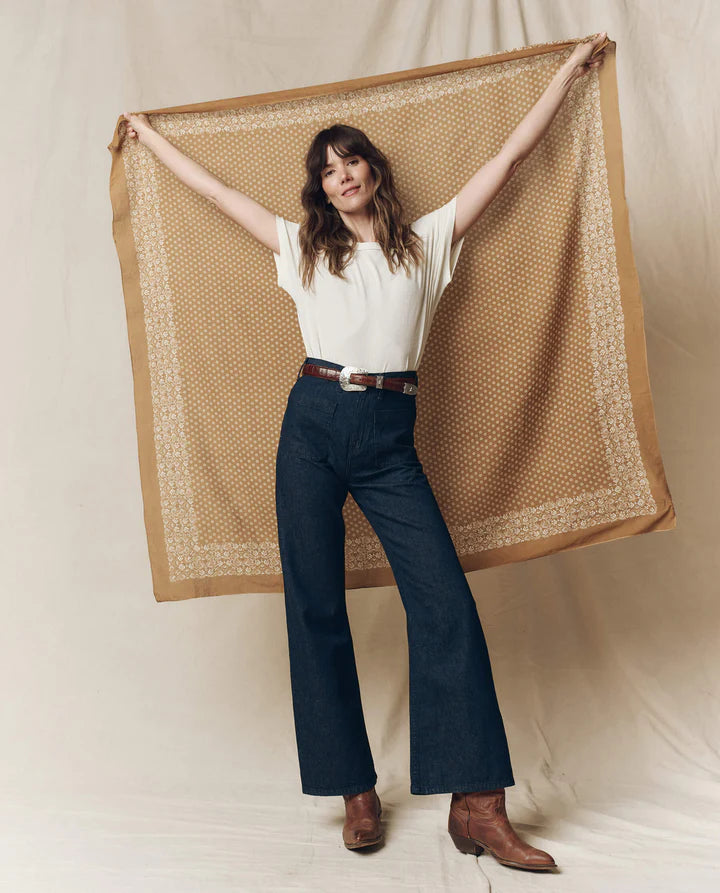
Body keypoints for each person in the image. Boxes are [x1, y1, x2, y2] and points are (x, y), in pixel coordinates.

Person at [122, 32, 607, 870]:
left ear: (374, 171)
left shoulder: (430, 240)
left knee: (444, 603)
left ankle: (479, 804)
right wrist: (145, 134)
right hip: (311, 423)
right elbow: (212, 191)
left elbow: (511, 154)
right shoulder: (301, 249)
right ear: (320, 188)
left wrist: (568, 72)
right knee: (316, 606)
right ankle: (354, 789)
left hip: (389, 439)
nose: (343, 177)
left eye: (354, 163)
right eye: (328, 171)